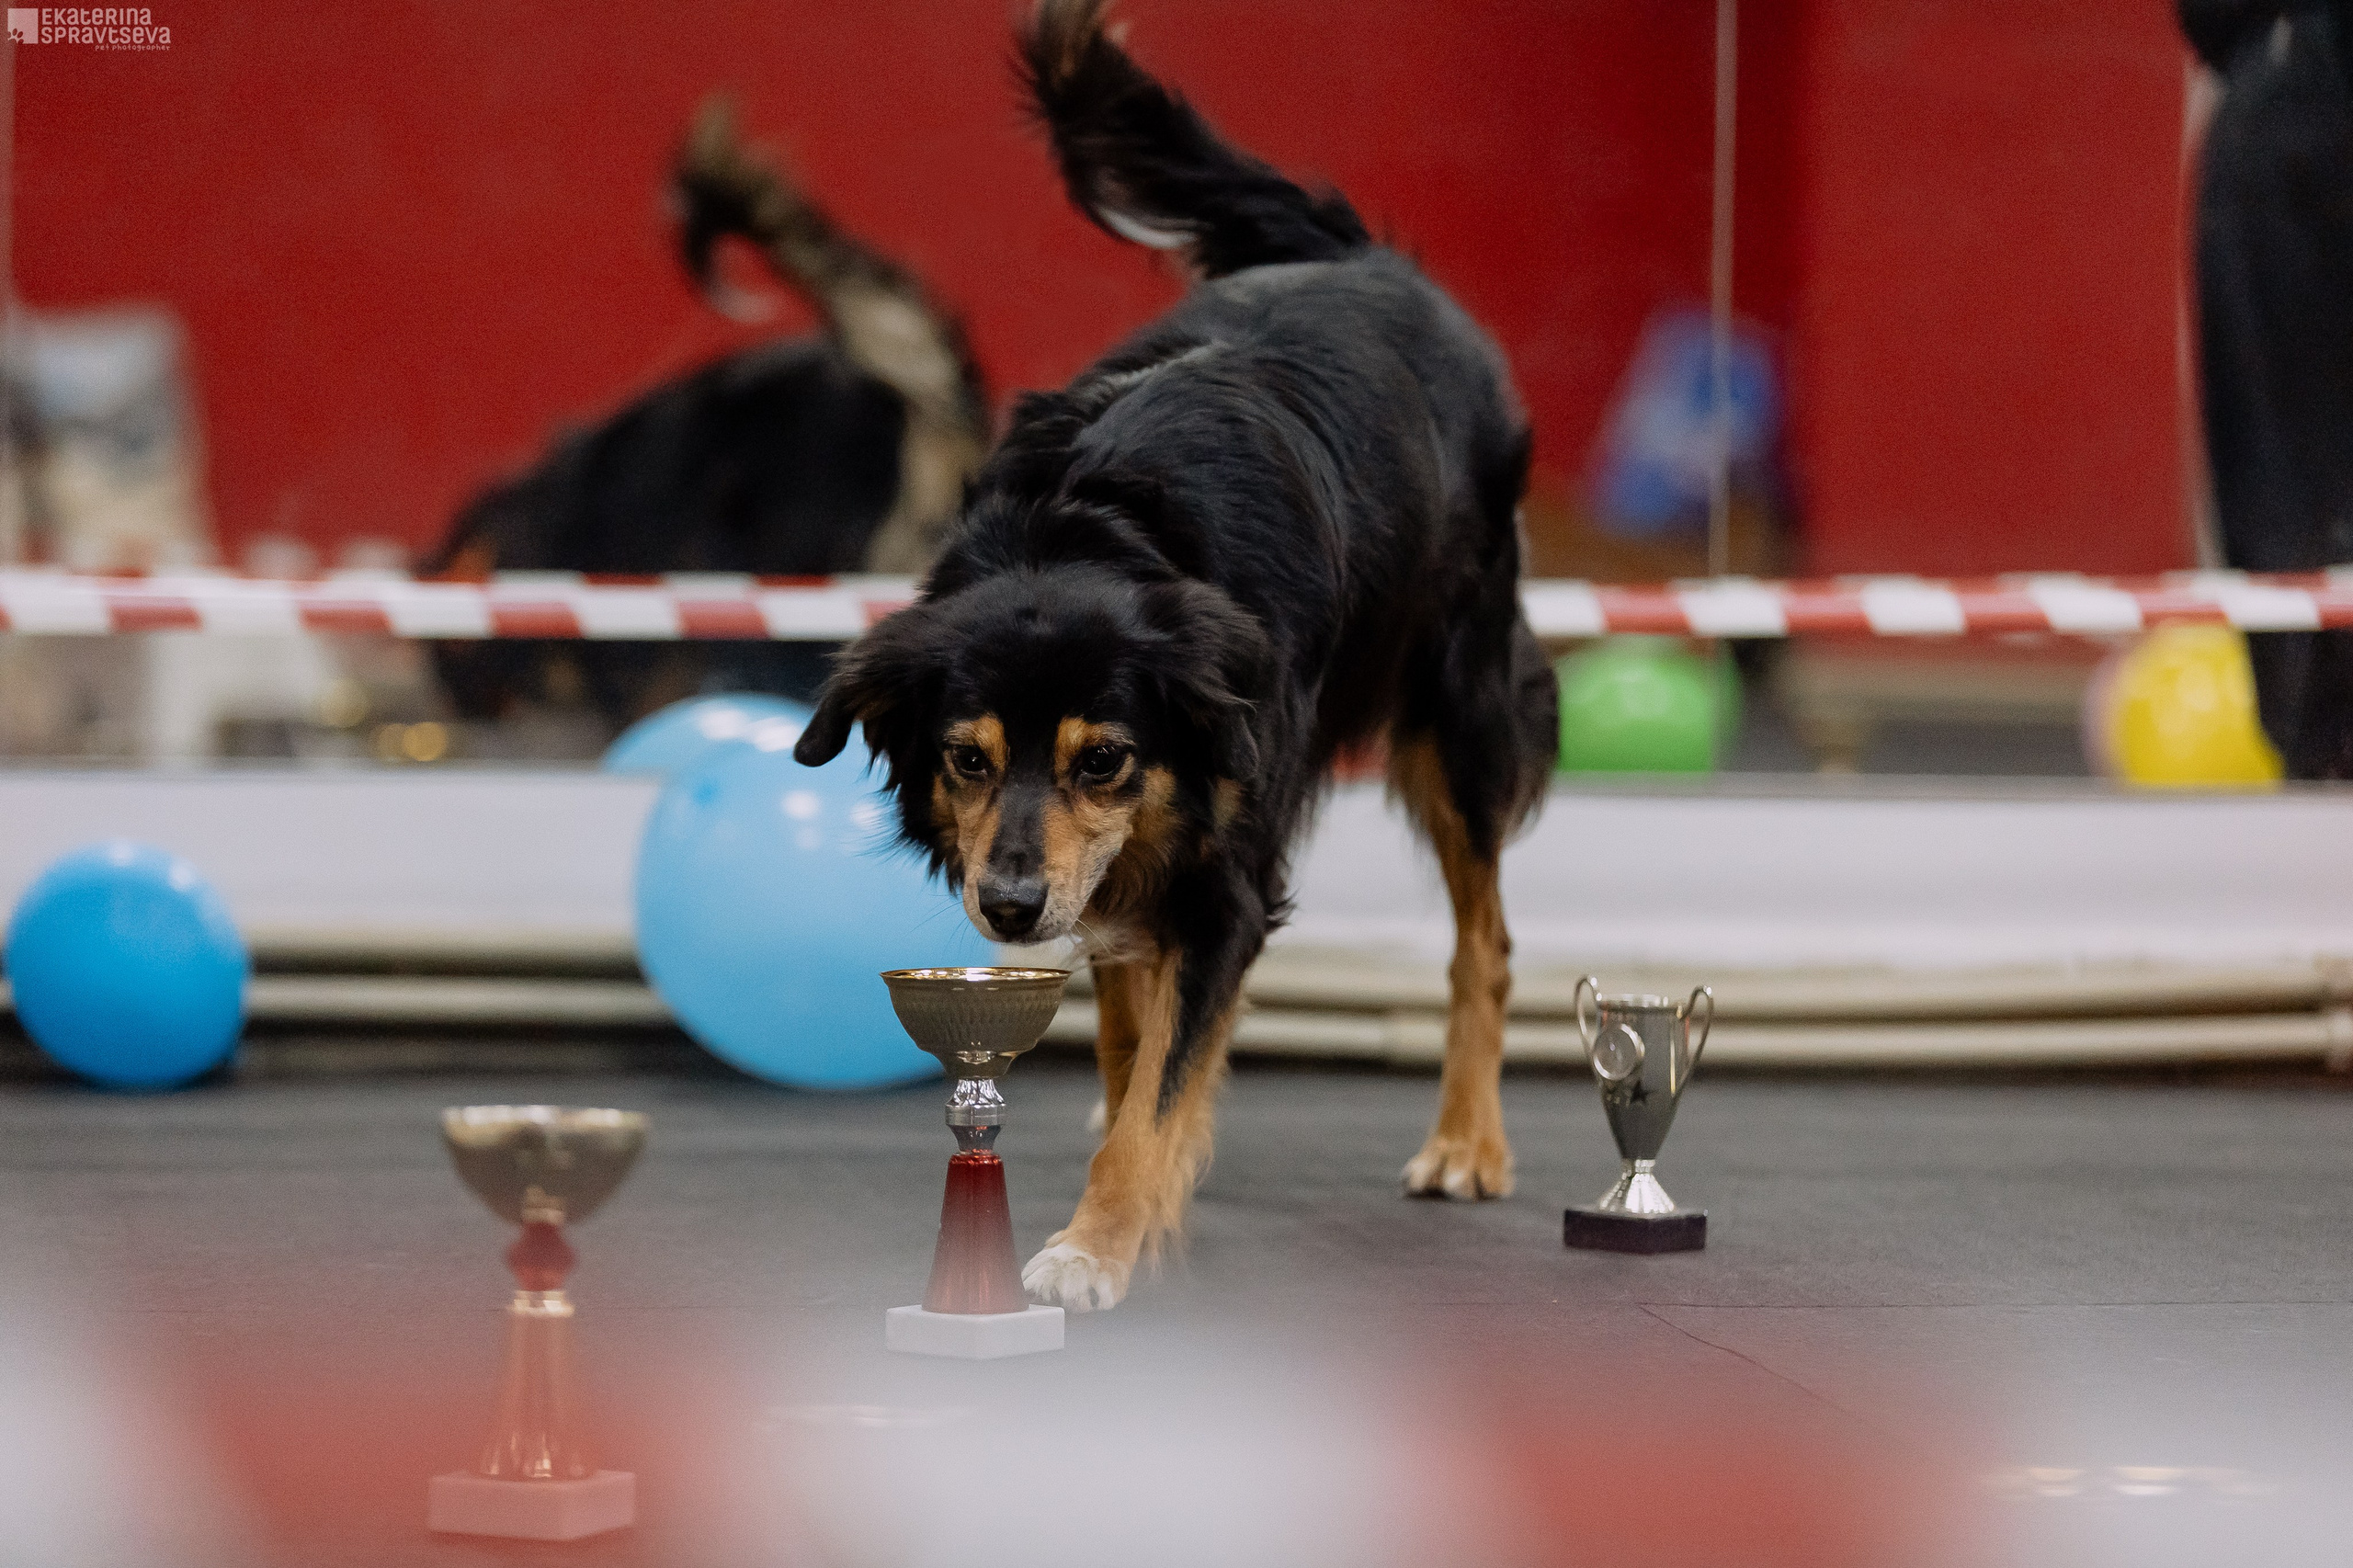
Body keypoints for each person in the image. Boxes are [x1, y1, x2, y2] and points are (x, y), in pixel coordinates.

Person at [2182, 0, 2353, 777]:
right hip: (2287, 95)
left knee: (2287, 470)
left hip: (2286, 95)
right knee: (2291, 473)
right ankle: (2317, 735)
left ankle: (2316, 737)